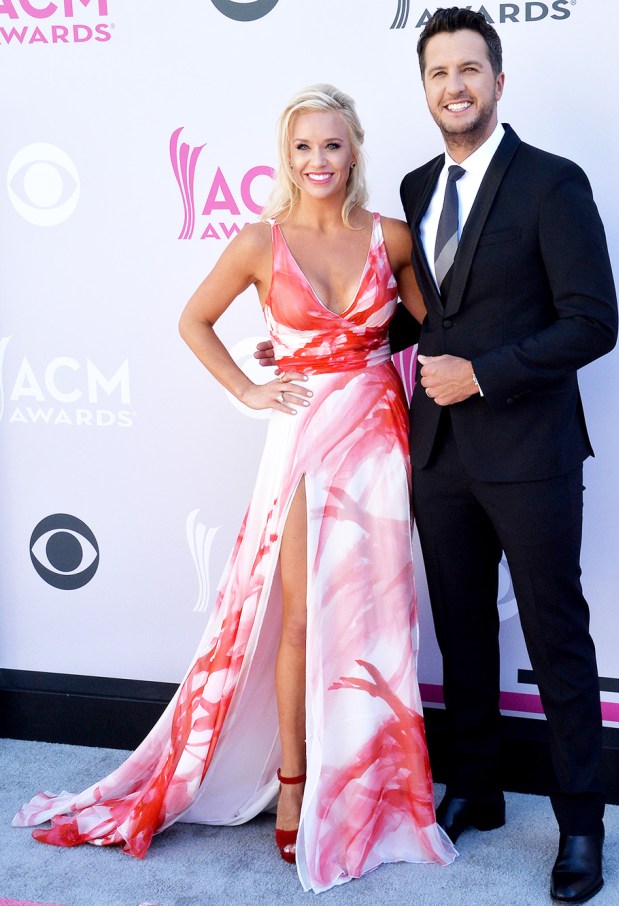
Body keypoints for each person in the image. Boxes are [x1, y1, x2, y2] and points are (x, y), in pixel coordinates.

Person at [13, 84, 456, 893]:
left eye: (331, 145)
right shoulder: (261, 241)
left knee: (376, 624)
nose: (317, 161)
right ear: (283, 157)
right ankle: (294, 783)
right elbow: (194, 321)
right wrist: (250, 389)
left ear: (354, 149)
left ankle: (376, 788)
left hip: (376, 444)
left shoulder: (391, 237)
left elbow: (435, 331)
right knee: (297, 621)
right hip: (298, 441)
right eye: (301, 148)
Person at [400, 8, 617, 905]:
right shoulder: (414, 187)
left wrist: (482, 375)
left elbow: (592, 323)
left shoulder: (552, 184)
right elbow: (420, 313)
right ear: (425, 87)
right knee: (460, 632)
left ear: (498, 79)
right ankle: (477, 789)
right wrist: (312, 344)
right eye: (439, 71)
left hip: (529, 452)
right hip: (439, 455)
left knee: (556, 637)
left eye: (470, 69)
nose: (455, 86)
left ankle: (580, 828)